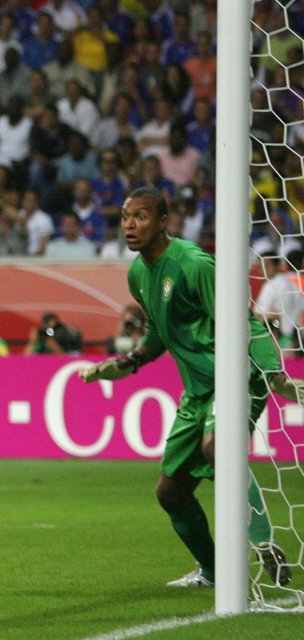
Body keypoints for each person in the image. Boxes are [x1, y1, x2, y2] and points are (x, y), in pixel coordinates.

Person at [79, 187, 295, 588]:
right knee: (170, 494)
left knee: (217, 446)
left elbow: (245, 320)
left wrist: (273, 372)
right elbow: (162, 330)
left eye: (141, 217)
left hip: (234, 376)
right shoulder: (138, 273)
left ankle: (264, 544)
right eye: (126, 217)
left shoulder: (195, 264)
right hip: (198, 390)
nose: (129, 225)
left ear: (163, 222)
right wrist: (130, 361)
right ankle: (214, 572)